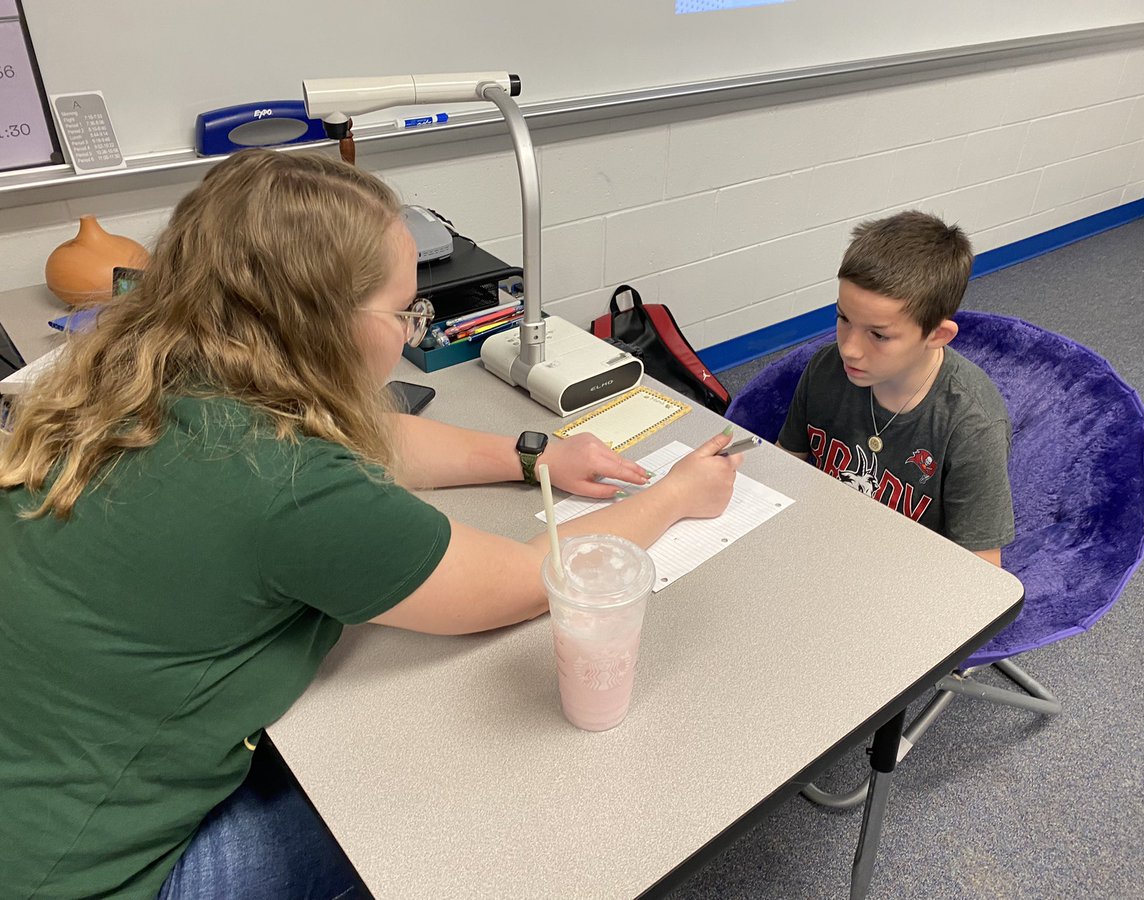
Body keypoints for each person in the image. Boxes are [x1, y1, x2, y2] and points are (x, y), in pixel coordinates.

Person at [0, 149, 742, 898]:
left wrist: (533, 452)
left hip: (31, 793)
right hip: (83, 878)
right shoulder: (288, 483)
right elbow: (526, 578)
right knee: (414, 793)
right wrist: (675, 495)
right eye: (404, 313)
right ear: (324, 322)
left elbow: (371, 439)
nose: (412, 332)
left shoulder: (131, 370)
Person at [777, 210, 1014, 566]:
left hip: (904, 571)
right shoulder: (826, 368)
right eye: (843, 318)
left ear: (936, 335)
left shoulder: (971, 426)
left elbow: (982, 572)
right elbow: (784, 462)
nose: (849, 348)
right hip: (820, 541)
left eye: (879, 335)